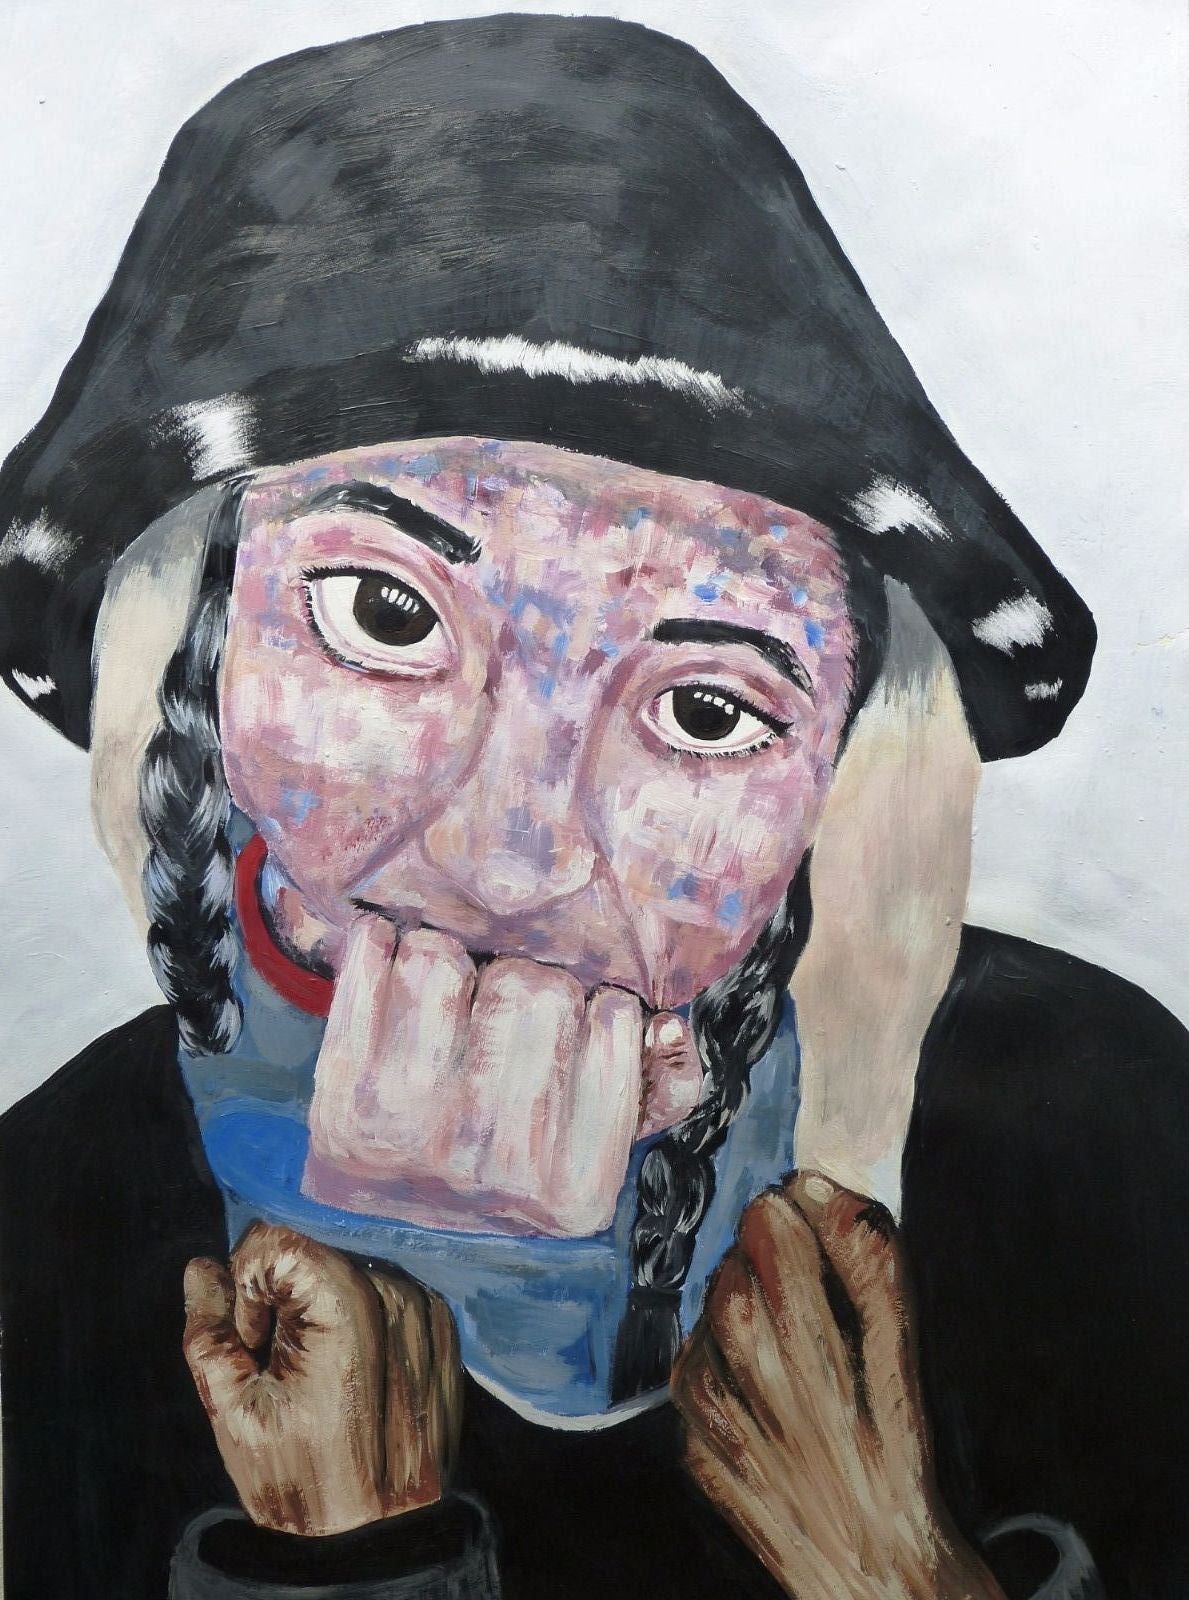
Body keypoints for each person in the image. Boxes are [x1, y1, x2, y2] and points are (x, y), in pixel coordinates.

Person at [0, 15, 1185, 1600]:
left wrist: (893, 1571)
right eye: (384, 617)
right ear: (194, 657)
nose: (511, 851)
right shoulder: (48, 1226)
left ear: (842, 776)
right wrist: (351, 1558)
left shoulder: (1096, 1143)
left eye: (706, 711)